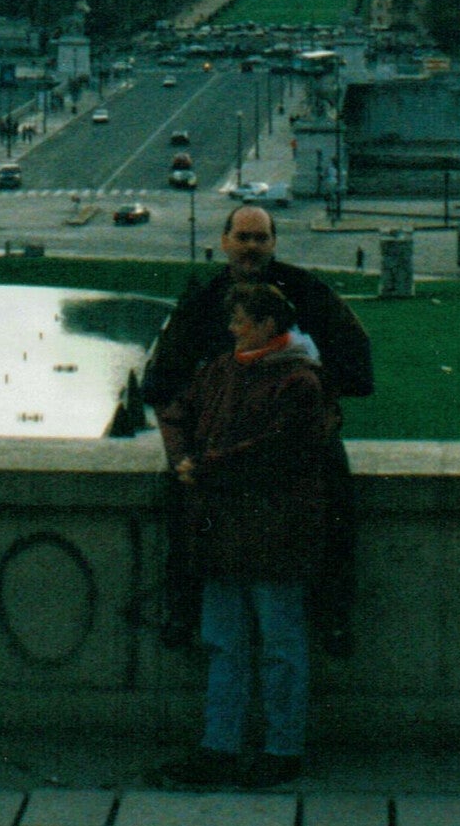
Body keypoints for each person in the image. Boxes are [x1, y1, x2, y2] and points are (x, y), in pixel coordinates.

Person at [141, 203, 373, 653]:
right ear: (225, 242)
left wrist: (315, 394)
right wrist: (180, 454)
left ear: (273, 243)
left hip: (290, 437)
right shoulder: (203, 301)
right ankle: (183, 608)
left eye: (260, 238)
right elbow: (163, 384)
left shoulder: (307, 291)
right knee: (182, 496)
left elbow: (357, 366)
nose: (250, 247)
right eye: (243, 237)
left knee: (334, 483)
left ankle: (332, 613)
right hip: (221, 439)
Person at [155, 282, 330, 789]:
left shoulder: (300, 381)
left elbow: (279, 451)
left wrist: (203, 467)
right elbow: (175, 412)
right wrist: (181, 457)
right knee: (224, 644)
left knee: (280, 647)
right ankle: (221, 746)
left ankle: (282, 749)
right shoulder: (223, 368)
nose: (232, 329)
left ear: (268, 326)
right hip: (224, 534)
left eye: (241, 321)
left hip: (275, 534)